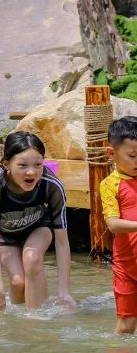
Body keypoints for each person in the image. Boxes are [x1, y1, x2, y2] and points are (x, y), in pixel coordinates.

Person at [0, 131, 75, 311]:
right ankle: (19, 322)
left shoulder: (51, 185)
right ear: (6, 164)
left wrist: (64, 292)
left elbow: (62, 241)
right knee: (17, 282)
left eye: (38, 165)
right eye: (22, 165)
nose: (32, 172)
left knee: (32, 259)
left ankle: (38, 319)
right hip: (6, 235)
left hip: (39, 228)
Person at [102, 116, 137, 334]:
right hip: (126, 268)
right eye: (132, 156)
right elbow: (113, 224)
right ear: (111, 153)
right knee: (125, 327)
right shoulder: (109, 185)